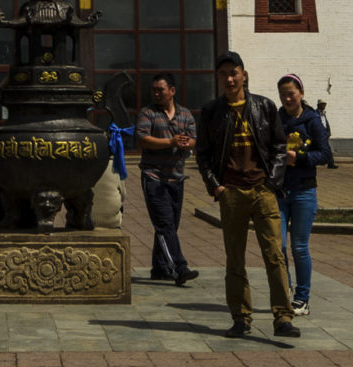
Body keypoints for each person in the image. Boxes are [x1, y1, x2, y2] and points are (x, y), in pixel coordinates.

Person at [194, 52, 296, 339]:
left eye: (234, 72)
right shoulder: (212, 111)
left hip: (262, 190)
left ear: (244, 74)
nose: (229, 79)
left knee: (274, 255)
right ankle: (241, 317)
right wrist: (216, 185)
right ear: (218, 78)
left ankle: (283, 317)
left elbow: (278, 147)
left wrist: (272, 183)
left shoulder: (264, 106)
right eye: (224, 73)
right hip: (232, 192)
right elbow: (202, 155)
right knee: (234, 258)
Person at [274, 75, 334, 316]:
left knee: (299, 247)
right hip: (278, 191)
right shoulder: (276, 119)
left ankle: (302, 298)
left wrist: (298, 159)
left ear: (301, 92)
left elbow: (326, 154)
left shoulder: (312, 121)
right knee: (278, 247)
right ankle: (284, 290)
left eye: (291, 93)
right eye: (283, 94)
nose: (287, 98)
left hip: (304, 192)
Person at [134, 72, 199, 285]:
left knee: (170, 225)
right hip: (154, 176)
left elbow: (193, 140)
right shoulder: (148, 113)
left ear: (172, 90)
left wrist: (185, 143)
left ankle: (159, 267)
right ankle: (179, 267)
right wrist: (170, 142)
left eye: (160, 89)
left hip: (177, 178)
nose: (156, 93)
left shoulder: (185, 114)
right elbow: (143, 139)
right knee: (164, 224)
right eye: (154, 90)